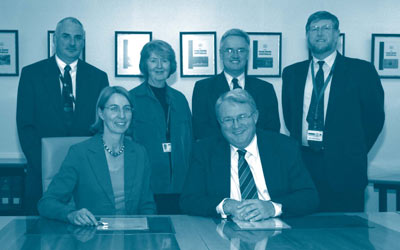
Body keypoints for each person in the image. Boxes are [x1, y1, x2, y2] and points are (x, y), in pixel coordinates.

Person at [282, 11, 385, 212]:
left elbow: (374, 120)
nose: (319, 33)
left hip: (346, 169)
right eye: (314, 29)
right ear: (307, 35)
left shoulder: (361, 71)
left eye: (326, 28)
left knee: (348, 237)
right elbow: (290, 118)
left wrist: (351, 150)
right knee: (303, 237)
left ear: (337, 34)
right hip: (303, 167)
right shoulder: (292, 73)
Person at [16, 17, 109, 214]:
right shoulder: (31, 74)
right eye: (66, 36)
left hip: (87, 176)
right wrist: (48, 166)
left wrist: (85, 167)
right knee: (40, 237)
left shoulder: (99, 77)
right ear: (55, 39)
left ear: (83, 41)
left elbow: (103, 126)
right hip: (41, 173)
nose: (72, 42)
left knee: (87, 235)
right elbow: (25, 126)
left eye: (78, 37)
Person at [180, 89, 318, 220]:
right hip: (224, 230)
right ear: (219, 122)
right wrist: (225, 206)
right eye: (228, 119)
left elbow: (309, 196)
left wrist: (272, 208)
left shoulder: (284, 147)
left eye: (242, 117)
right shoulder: (204, 150)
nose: (236, 125)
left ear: (255, 117)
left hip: (279, 230)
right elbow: (188, 200)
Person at [38, 86, 156, 226]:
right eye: (113, 108)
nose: (122, 115)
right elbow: (47, 203)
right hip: (93, 237)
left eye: (127, 109)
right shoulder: (80, 153)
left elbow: (147, 205)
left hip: (132, 238)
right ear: (101, 113)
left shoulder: (139, 153)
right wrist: (71, 214)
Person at [129, 40, 192, 214]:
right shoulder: (132, 98)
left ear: (170, 65)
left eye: (164, 60)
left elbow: (190, 141)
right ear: (145, 64)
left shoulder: (180, 99)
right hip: (147, 184)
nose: (159, 66)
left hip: (180, 184)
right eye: (153, 60)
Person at [192, 28, 280, 140]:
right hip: (217, 154)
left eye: (241, 50)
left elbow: (272, 129)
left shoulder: (265, 89)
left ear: (248, 54)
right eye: (229, 50)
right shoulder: (203, 88)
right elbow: (201, 130)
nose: (235, 55)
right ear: (220, 54)